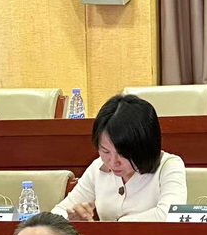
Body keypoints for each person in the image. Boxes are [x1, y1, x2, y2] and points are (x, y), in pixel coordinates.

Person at [51, 94, 186, 221]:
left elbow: (169, 215)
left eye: (122, 153)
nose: (113, 162)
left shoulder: (169, 165)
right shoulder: (97, 167)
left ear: (144, 146)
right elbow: (59, 212)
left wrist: (115, 225)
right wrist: (71, 219)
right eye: (105, 151)